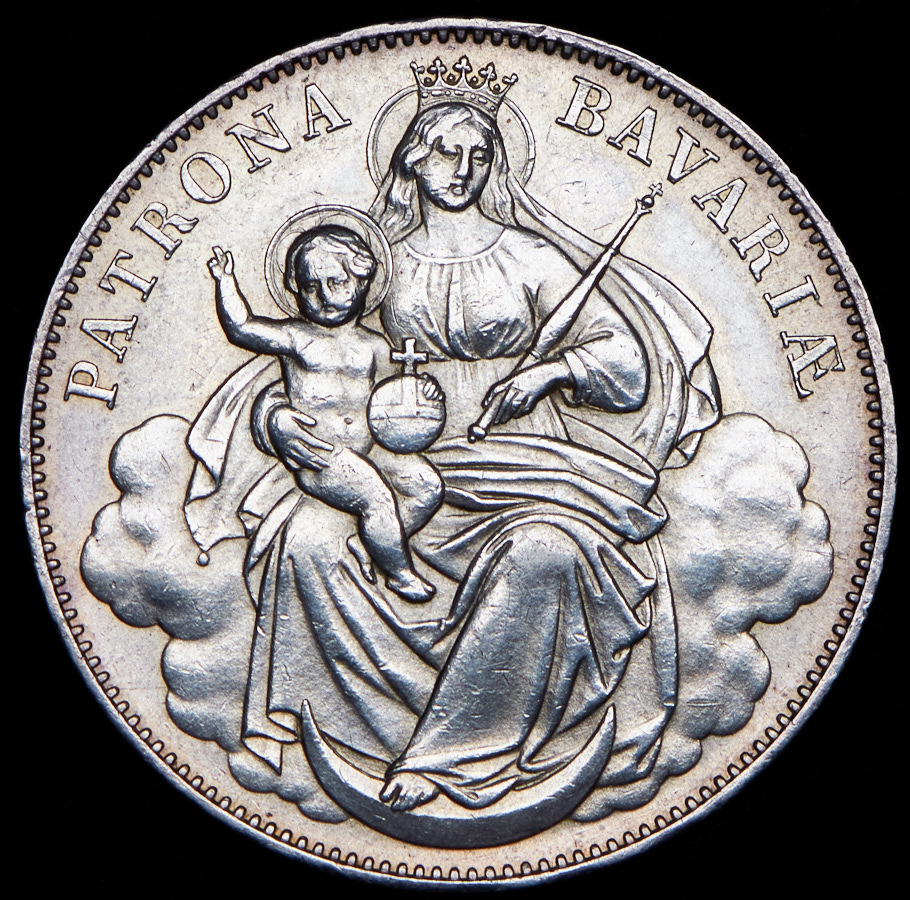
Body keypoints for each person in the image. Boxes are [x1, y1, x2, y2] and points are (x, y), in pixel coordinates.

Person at [188, 60, 720, 836]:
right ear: (410, 156)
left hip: (529, 465)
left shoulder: (531, 257)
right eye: (445, 151)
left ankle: (448, 756)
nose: (462, 169)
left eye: (478, 154)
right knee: (305, 537)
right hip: (397, 460)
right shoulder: (372, 261)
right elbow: (307, 358)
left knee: (543, 552)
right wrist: (275, 421)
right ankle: (354, 730)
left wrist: (548, 372)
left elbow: (626, 365)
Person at [206, 228, 441, 603]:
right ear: (295, 290)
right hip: (321, 455)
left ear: (361, 281)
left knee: (427, 486)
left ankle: (370, 544)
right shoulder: (297, 337)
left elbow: (395, 396)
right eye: (310, 287)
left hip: (371, 447)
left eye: (336, 282)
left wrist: (425, 393)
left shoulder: (375, 345)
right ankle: (399, 574)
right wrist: (225, 282)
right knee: (376, 495)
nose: (324, 297)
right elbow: (242, 328)